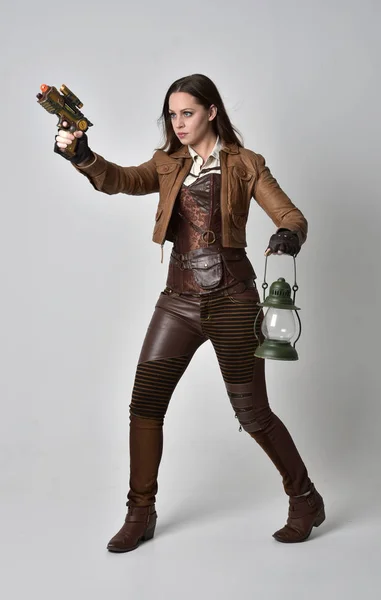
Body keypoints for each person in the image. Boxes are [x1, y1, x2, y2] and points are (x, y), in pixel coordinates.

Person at [54, 73, 325, 552]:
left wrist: (288, 236)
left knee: (252, 411)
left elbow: (290, 215)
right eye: (173, 114)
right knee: (145, 404)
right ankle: (141, 512)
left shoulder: (245, 164)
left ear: (212, 112)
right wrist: (82, 156)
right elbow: (119, 180)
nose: (178, 123)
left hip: (233, 300)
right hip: (177, 299)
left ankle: (304, 498)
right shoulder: (165, 164)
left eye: (188, 113)